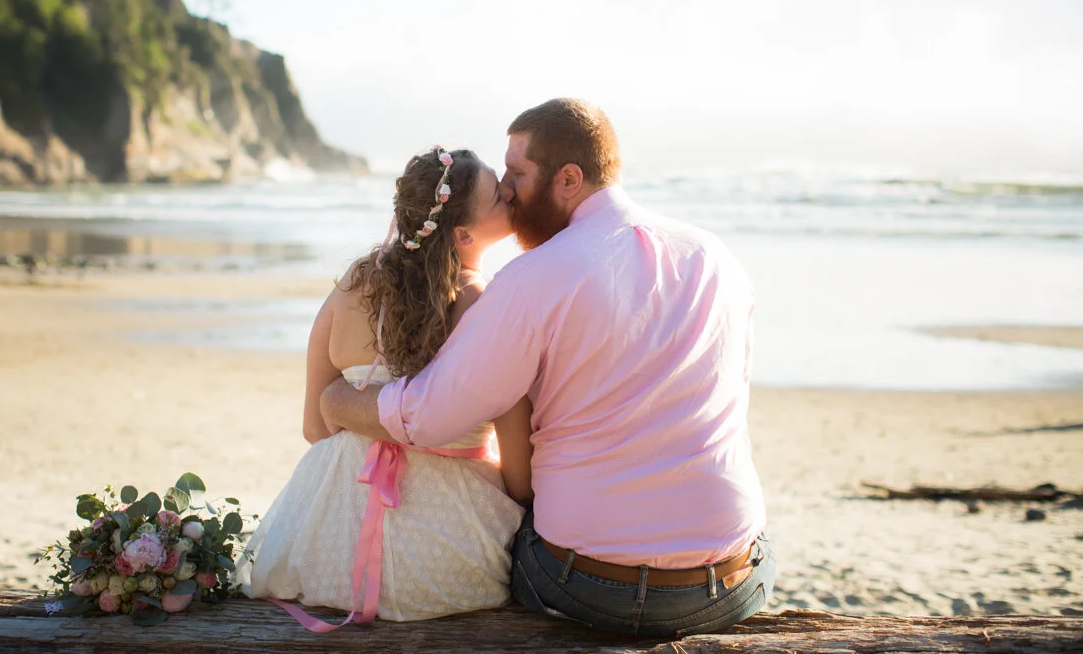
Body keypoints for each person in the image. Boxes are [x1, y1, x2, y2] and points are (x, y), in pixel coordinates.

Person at [321, 98, 776, 637]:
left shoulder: (532, 279)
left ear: (568, 178)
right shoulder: (716, 258)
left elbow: (428, 416)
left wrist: (338, 401)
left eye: (517, 174)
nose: (508, 191)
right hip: (728, 582)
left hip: (583, 583)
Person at [237, 147, 532, 628]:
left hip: (324, 552)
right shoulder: (479, 305)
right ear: (462, 234)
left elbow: (315, 427)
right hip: (445, 559)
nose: (512, 196)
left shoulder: (353, 283)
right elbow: (519, 466)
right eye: (500, 196)